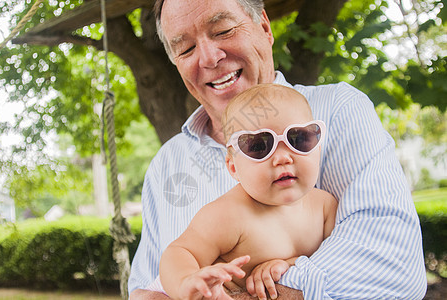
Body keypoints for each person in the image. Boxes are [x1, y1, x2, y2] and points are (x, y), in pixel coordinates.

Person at [128, 0, 427, 299]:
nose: (208, 57)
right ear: (231, 164)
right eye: (186, 49)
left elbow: (392, 265)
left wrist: (286, 271)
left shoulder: (338, 110)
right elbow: (145, 287)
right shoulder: (166, 163)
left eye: (223, 30)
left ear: (264, 27)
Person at [158, 84, 337, 300]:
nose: (283, 158)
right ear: (233, 167)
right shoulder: (228, 214)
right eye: (259, 146)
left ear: (317, 148)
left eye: (298, 139)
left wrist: (291, 265)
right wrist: (186, 282)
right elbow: (179, 252)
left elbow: (337, 260)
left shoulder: (326, 207)